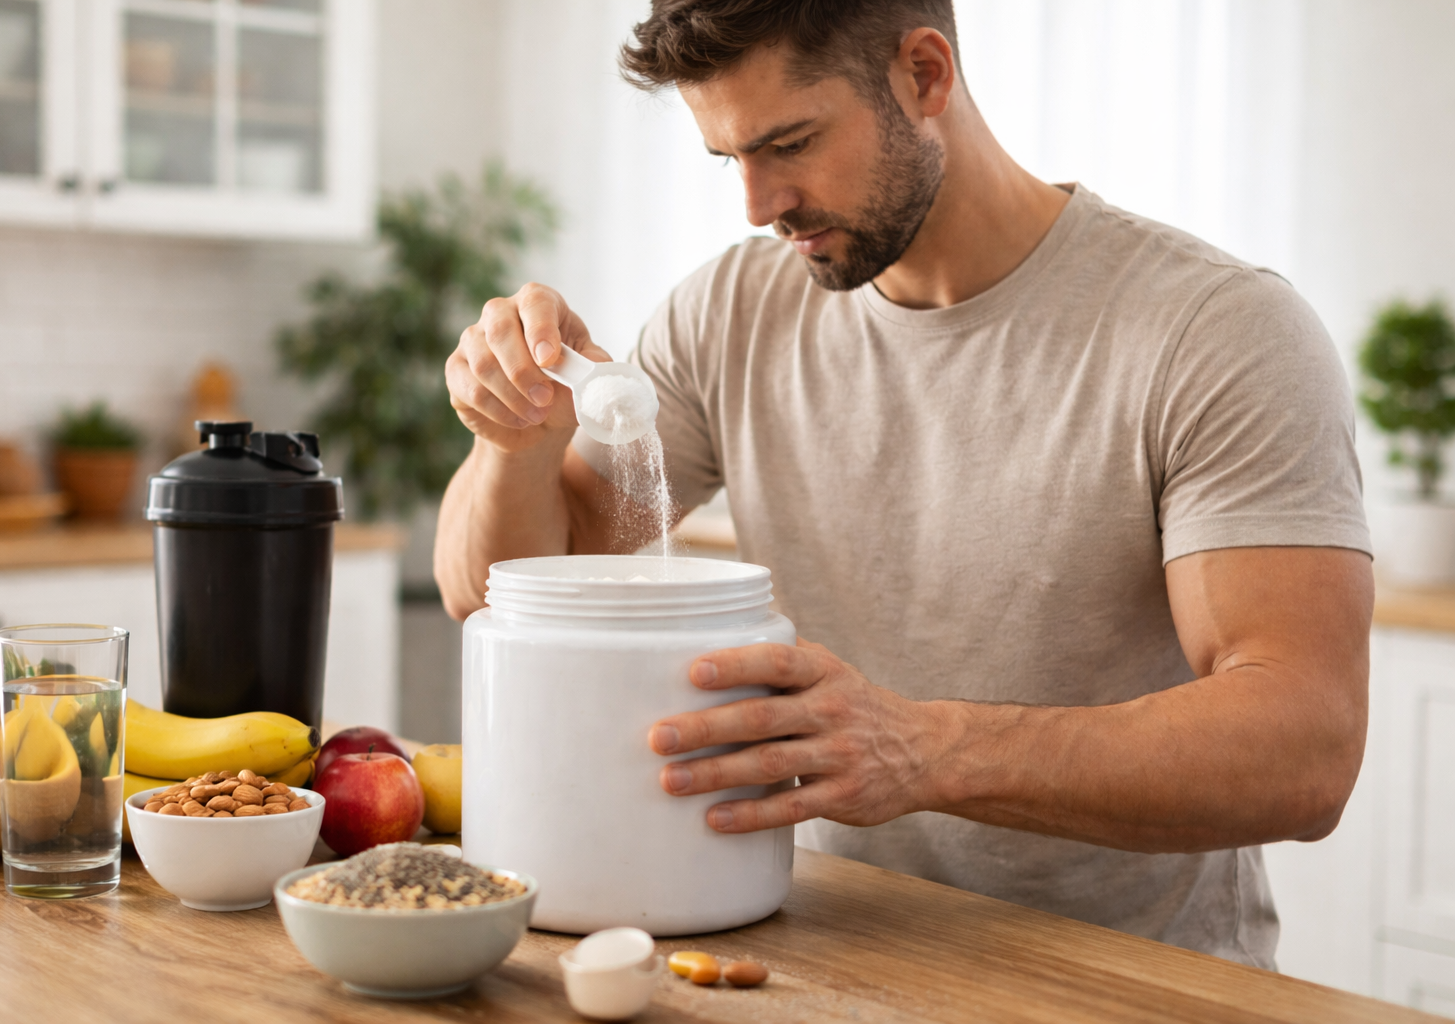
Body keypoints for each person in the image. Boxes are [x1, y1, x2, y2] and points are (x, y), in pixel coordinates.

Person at [433, 0, 1372, 967]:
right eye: (729, 159)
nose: (758, 204)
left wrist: (924, 750)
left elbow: (1305, 749)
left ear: (925, 75)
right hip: (833, 952)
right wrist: (515, 441)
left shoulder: (1214, 331)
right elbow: (503, 591)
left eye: (790, 143)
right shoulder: (730, 313)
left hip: (1131, 982)